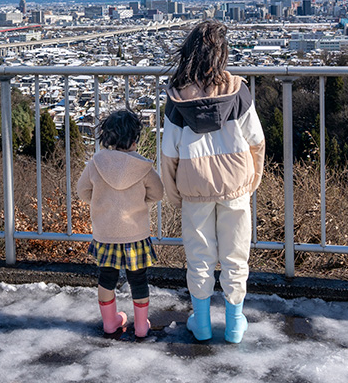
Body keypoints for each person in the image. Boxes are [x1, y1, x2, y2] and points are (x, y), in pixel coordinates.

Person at [161, 20, 265, 343]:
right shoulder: (238, 92)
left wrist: (174, 193)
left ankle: (202, 324)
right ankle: (234, 325)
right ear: (222, 55)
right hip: (235, 185)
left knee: (199, 256)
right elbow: (256, 141)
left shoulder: (178, 99)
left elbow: (168, 155)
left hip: (194, 190)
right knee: (235, 255)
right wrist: (252, 180)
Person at [77, 108, 163, 338]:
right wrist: (139, 200)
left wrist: (100, 201)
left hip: (106, 233)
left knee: (106, 278)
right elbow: (158, 192)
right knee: (138, 279)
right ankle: (142, 326)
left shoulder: (96, 163)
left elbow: (82, 190)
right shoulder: (143, 167)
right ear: (135, 138)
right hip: (135, 233)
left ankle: (110, 323)